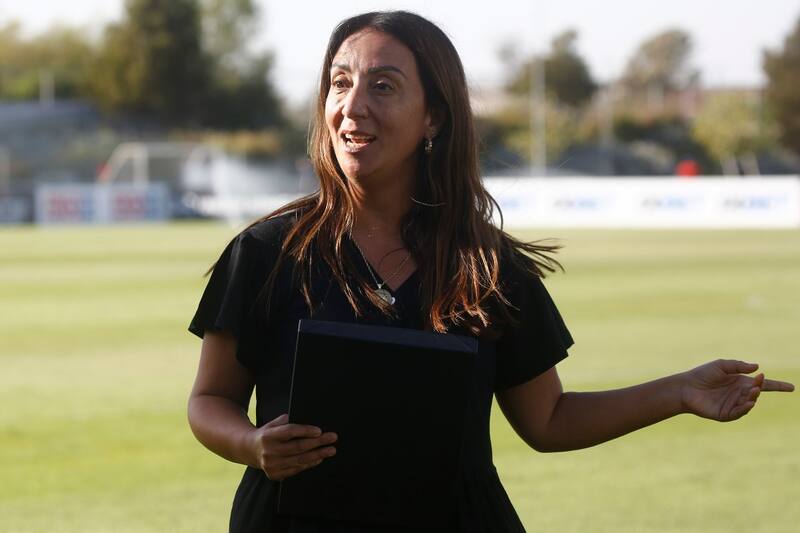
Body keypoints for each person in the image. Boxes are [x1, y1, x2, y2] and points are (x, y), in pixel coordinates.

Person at [187, 11, 795, 533]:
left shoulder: (487, 265)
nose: (353, 106)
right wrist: (251, 444)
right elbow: (210, 400)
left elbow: (548, 420)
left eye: (383, 85)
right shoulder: (266, 252)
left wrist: (677, 392)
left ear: (435, 119)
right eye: (339, 83)